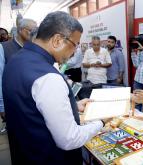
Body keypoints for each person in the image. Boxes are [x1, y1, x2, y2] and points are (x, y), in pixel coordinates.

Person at [2, 11, 108, 164]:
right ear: (57, 40)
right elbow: (69, 139)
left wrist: (74, 106)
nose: (73, 53)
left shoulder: (15, 60)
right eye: (74, 45)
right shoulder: (48, 77)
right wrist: (101, 122)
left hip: (25, 153)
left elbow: (31, 106)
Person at [0, 18, 37, 134]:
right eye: (31, 31)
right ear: (21, 30)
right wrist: (2, 106)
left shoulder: (34, 48)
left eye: (36, 31)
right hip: (13, 102)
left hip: (31, 103)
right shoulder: (4, 48)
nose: (34, 34)